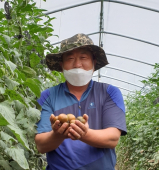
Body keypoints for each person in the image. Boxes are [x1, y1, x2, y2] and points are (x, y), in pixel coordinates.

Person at [35, 33, 127, 170]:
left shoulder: (109, 93)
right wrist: (57, 135)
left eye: (83, 57)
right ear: (62, 65)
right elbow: (41, 145)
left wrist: (84, 134)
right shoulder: (47, 96)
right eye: (70, 58)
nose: (77, 64)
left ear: (94, 63)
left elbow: (113, 138)